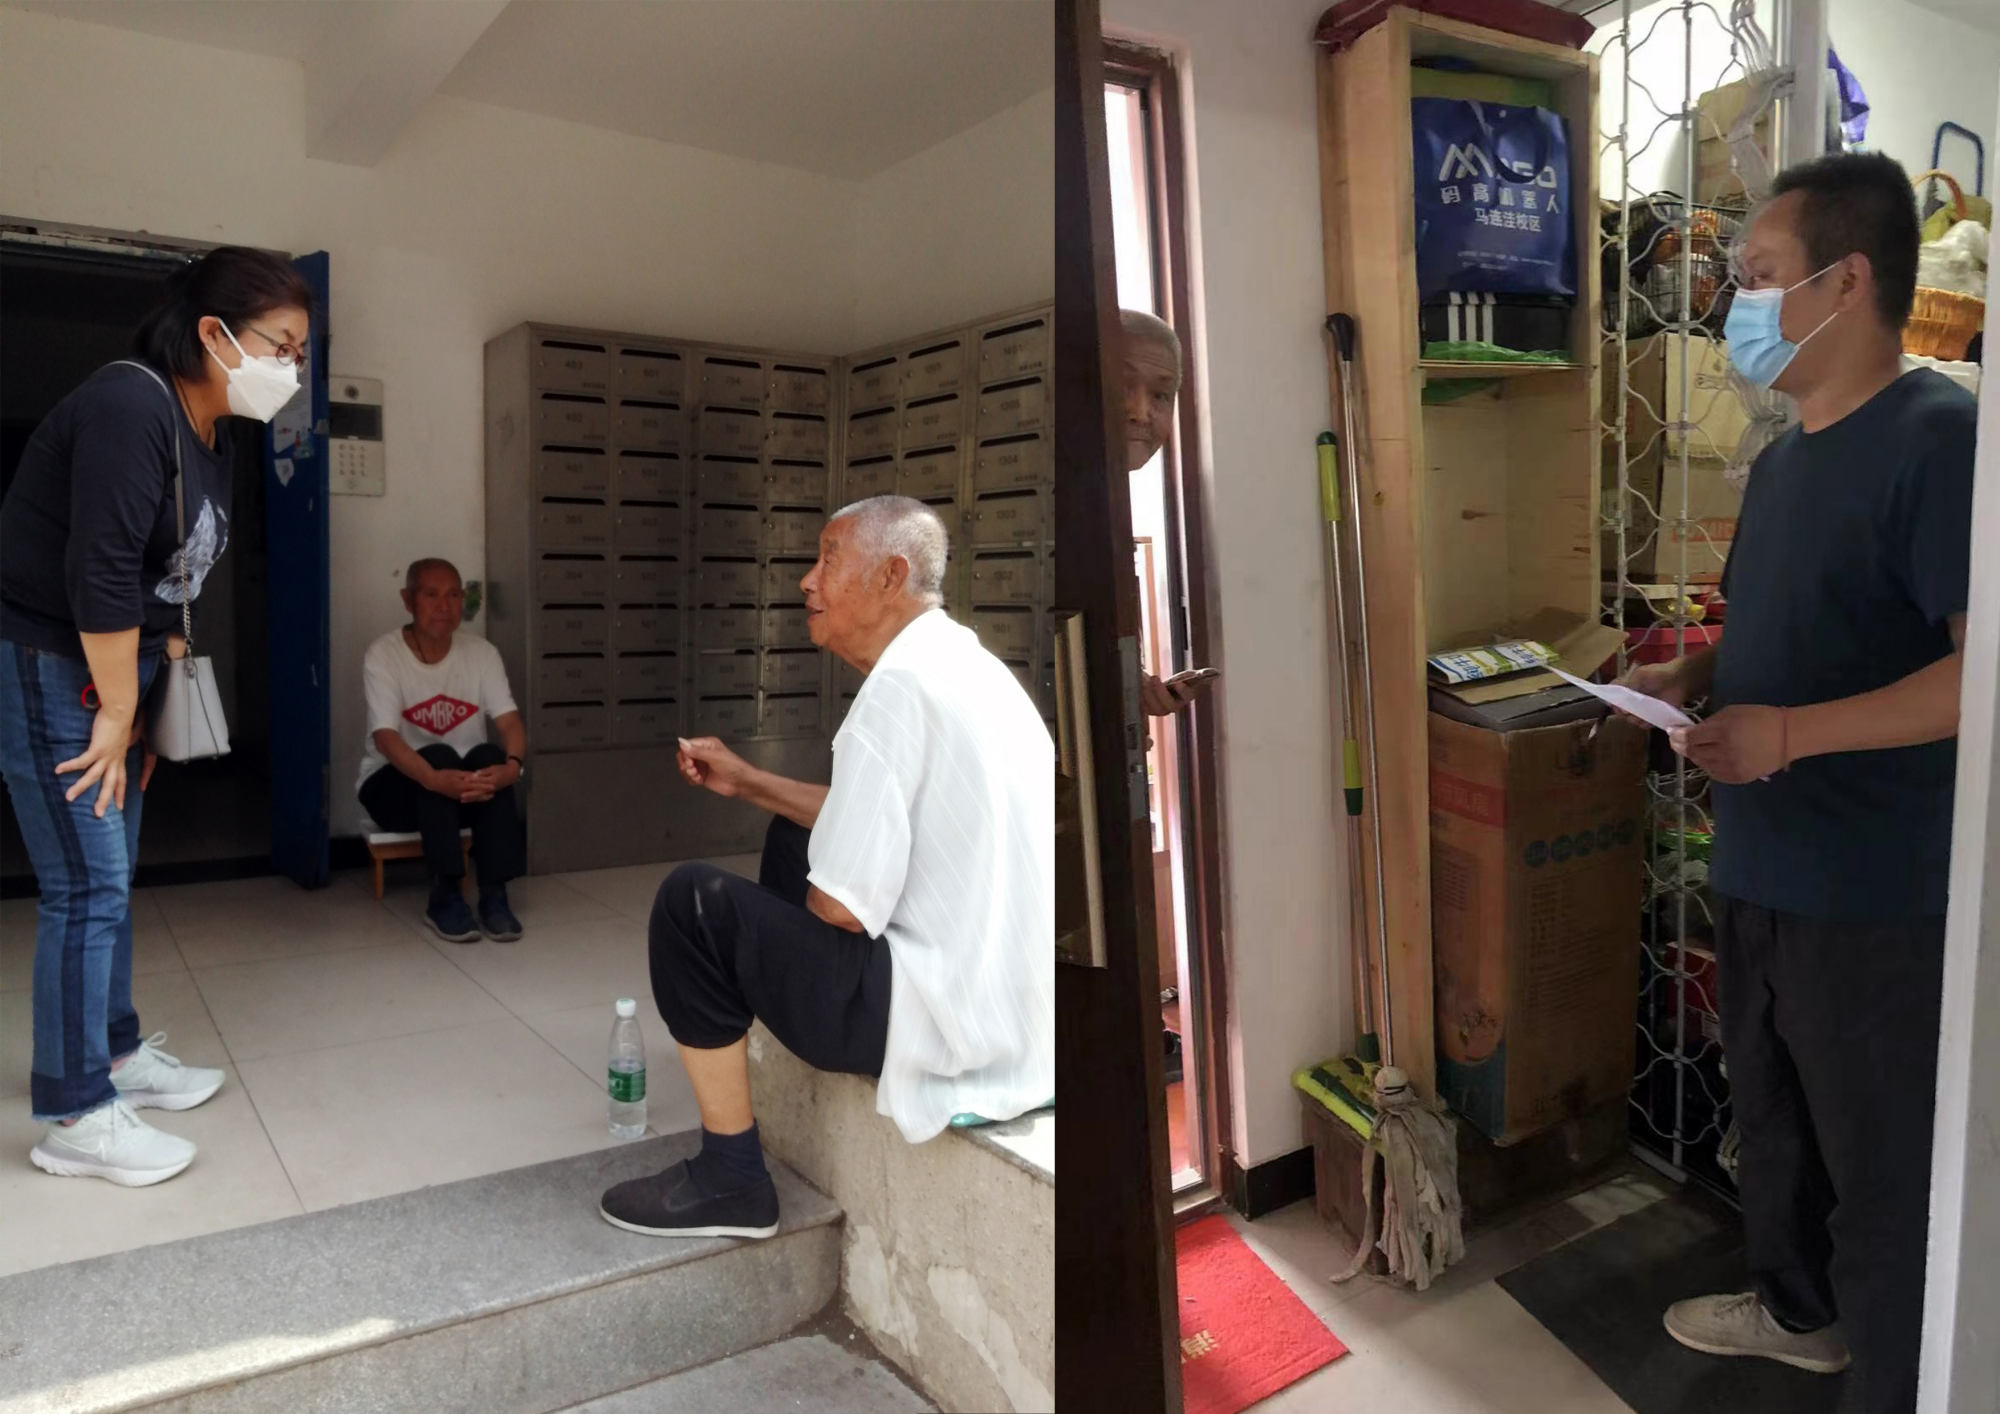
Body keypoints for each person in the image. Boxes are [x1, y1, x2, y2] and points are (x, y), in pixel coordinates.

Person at [1618, 153, 1974, 1414]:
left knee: (1877, 1161)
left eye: (1758, 276)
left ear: (1845, 281)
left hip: (1871, 889)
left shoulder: (1939, 442)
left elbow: (1974, 676)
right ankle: (1794, 1312)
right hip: (1758, 859)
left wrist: (1789, 736)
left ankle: (1894, 1381)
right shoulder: (1779, 462)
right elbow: (1786, 624)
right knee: (1767, 1116)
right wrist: (1690, 670)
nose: (1734, 306)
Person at [598, 496, 1052, 1239]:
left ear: (891, 576)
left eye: (829, 559)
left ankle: (731, 1179)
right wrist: (749, 782)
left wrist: (803, 931)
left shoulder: (896, 692)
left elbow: (838, 910)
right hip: (1011, 1017)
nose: (807, 581)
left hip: (940, 1025)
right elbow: (877, 816)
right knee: (792, 838)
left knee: (693, 905)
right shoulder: (971, 668)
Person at [0, 246, 312, 1186]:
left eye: (301, 351)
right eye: (281, 346)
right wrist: (113, 709)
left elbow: (167, 583)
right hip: (56, 662)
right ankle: (73, 1112)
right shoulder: (130, 406)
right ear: (215, 335)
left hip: (114, 671)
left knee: (113, 873)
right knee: (84, 884)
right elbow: (98, 571)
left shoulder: (209, 431)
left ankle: (116, 1054)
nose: (293, 368)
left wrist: (143, 699)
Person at [357, 559, 527, 943]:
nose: (443, 606)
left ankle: (495, 896)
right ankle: (445, 896)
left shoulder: (482, 653)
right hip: (393, 790)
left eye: (453, 595)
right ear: (408, 600)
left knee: (489, 757)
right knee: (437, 756)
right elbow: (385, 738)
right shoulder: (384, 654)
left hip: (460, 789)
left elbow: (510, 724)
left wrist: (512, 767)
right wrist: (434, 779)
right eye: (431, 595)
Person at [1121, 308, 1219, 718]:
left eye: (1160, 395)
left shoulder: (1112, 507)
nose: (1140, 412)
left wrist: (1137, 691)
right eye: (1121, 386)